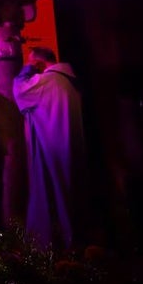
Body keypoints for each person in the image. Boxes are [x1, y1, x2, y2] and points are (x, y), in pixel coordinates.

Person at [13, 46, 86, 251]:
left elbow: (19, 89)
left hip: (52, 146)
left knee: (53, 193)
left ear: (38, 62)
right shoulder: (69, 81)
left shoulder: (48, 81)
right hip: (69, 144)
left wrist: (26, 69)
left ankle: (52, 247)